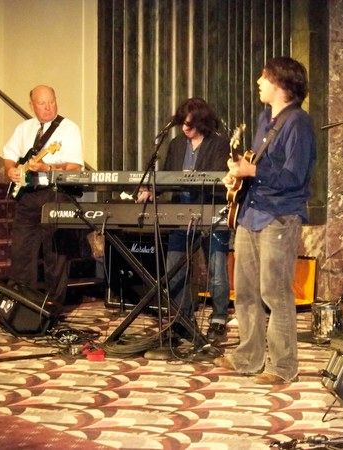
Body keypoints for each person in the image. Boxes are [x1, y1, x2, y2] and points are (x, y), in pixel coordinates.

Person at [215, 57, 316, 385]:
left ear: (282, 84)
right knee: (245, 291)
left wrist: (253, 171)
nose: (259, 82)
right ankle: (249, 357)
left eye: (265, 77)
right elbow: (256, 164)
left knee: (275, 292)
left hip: (280, 215)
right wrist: (238, 175)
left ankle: (283, 367)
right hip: (251, 212)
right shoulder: (264, 119)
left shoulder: (299, 123)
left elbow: (294, 176)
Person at [137, 97, 231, 345]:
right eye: (182, 123)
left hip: (210, 211)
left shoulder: (219, 143)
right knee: (174, 266)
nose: (184, 128)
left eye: (189, 124)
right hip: (180, 212)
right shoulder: (177, 144)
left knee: (216, 269)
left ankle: (219, 318)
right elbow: (167, 175)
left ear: (202, 121)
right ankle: (182, 317)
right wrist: (151, 190)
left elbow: (217, 177)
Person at [3, 85, 84, 302]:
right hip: (28, 195)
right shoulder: (24, 128)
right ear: (32, 105)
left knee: (55, 254)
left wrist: (47, 168)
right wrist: (10, 169)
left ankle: (53, 304)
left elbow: (75, 168)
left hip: (55, 193)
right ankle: (22, 303)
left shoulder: (69, 129)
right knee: (21, 251)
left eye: (52, 101)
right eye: (42, 103)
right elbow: (9, 154)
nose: (48, 107)